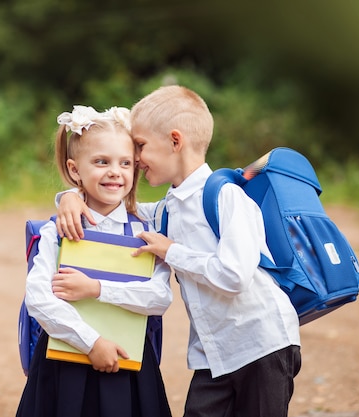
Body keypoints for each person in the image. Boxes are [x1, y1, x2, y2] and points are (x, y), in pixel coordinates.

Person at [56, 86, 301, 417]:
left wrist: (172, 252)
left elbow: (234, 276)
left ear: (175, 141)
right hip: (213, 355)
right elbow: (110, 206)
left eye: (140, 146)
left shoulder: (227, 196)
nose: (137, 160)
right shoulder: (166, 210)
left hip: (263, 345)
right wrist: (70, 196)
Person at [16, 105, 173, 417]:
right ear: (75, 170)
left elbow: (160, 298)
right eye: (101, 162)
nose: (115, 171)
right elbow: (38, 298)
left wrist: (97, 288)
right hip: (65, 364)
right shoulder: (56, 232)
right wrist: (91, 343)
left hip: (129, 364)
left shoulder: (146, 230)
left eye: (125, 163)